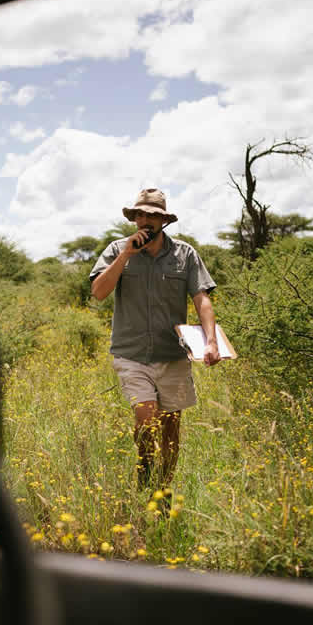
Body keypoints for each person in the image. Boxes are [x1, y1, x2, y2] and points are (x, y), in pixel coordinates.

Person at [89, 188, 221, 492]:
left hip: (172, 354)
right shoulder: (116, 249)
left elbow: (202, 299)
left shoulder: (185, 254)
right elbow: (98, 292)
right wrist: (126, 255)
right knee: (147, 420)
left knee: (171, 430)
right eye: (140, 215)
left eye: (153, 215)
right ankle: (145, 478)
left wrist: (211, 341)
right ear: (134, 218)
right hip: (131, 354)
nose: (145, 220)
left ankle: (163, 493)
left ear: (164, 220)